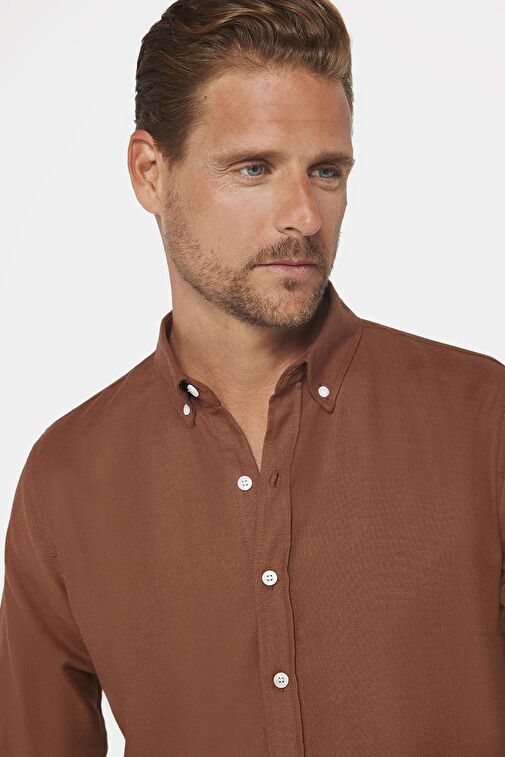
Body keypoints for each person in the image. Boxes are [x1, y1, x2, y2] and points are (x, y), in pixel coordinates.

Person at [1, 1, 504, 755]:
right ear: (150, 173)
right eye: (254, 169)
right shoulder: (67, 478)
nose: (303, 215)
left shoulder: (483, 422)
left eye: (326, 171)